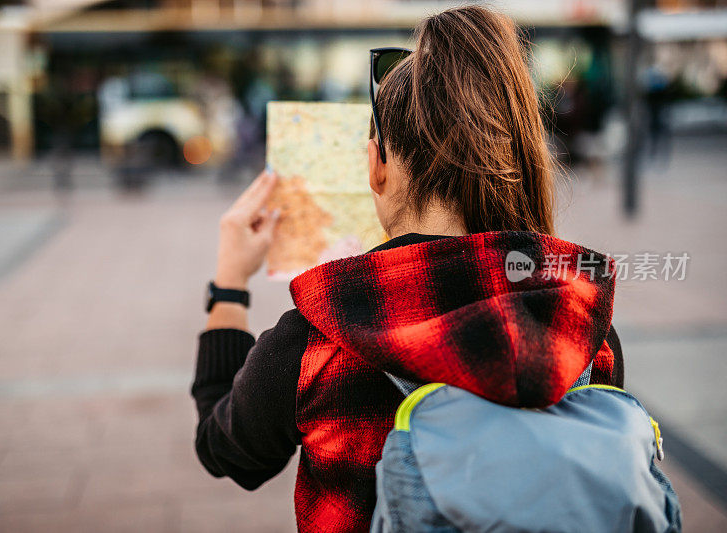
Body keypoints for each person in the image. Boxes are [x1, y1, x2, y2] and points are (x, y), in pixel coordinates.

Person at [191, 6, 623, 532]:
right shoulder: (584, 323)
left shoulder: (316, 343)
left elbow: (226, 452)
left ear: (377, 165)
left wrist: (229, 288)